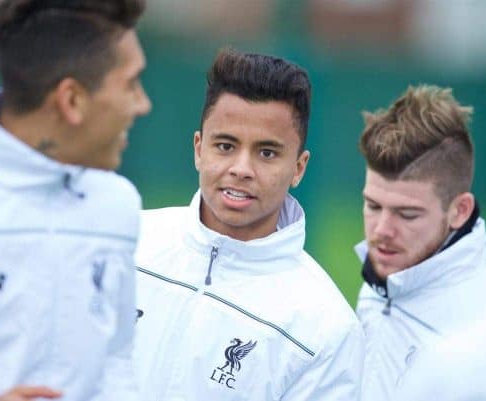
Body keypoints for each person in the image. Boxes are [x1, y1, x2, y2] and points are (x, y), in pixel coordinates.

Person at [0, 1, 151, 400]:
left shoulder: (117, 204)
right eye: (131, 83)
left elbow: (117, 358)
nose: (142, 104)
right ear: (71, 100)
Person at [132, 48, 364, 401]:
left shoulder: (325, 326)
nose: (241, 168)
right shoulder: (128, 243)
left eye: (267, 153)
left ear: (299, 168)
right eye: (225, 145)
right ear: (199, 149)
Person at [353, 84, 486, 401]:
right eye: (373, 206)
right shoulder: (381, 282)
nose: (381, 230)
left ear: (460, 211)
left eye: (407, 214)